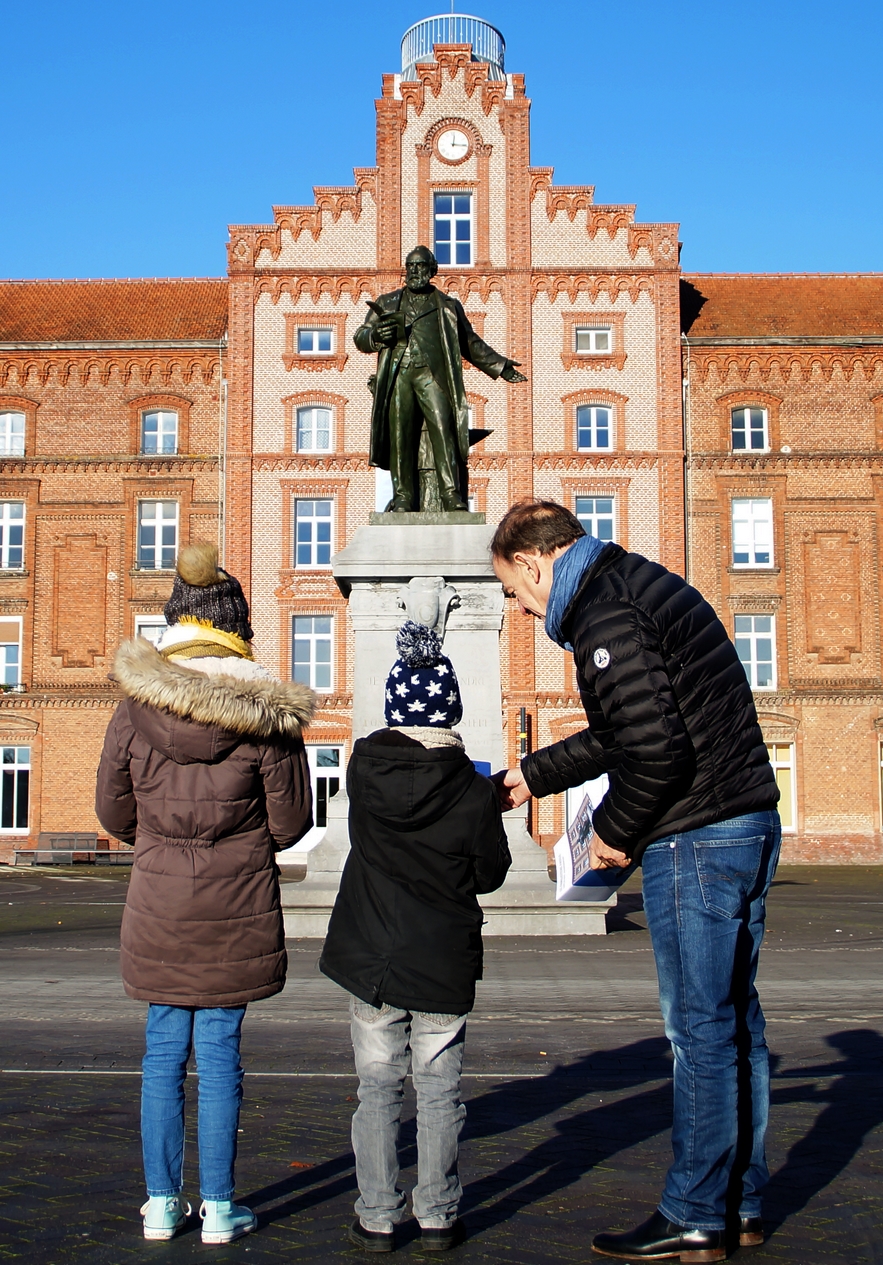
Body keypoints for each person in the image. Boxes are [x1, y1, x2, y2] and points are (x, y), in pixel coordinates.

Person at [490, 501, 781, 1263]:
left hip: (698, 836)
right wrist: (532, 775)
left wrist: (614, 832)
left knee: (698, 1031)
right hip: (746, 820)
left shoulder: (603, 612)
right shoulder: (636, 586)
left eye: (517, 595)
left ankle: (692, 1212)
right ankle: (737, 1201)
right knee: (734, 1022)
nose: (523, 612)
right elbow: (625, 726)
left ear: (533, 562)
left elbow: (653, 750)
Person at [95, 542, 314, 1245]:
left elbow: (111, 810)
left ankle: (161, 1202)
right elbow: (290, 822)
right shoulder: (264, 713)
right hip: (238, 903)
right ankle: (219, 1206)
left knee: (162, 1049)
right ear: (237, 627)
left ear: (175, 624)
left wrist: (157, 838)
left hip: (159, 900)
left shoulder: (134, 708)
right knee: (219, 1050)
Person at [320, 620, 511, 1253]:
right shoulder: (473, 789)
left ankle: (376, 1215)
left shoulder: (362, 774)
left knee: (375, 1089)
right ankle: (437, 1214)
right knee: (438, 1091)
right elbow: (490, 874)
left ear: (394, 706)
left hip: (371, 953)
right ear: (451, 709)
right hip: (440, 960)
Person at [353, 245, 526, 512]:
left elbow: (469, 343)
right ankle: (403, 497)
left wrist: (501, 366)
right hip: (399, 375)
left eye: (421, 266)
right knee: (401, 437)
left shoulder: (447, 306)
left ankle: (450, 494)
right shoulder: (387, 302)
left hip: (432, 375)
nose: (414, 271)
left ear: (432, 270)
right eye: (410, 266)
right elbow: (360, 337)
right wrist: (376, 336)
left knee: (444, 431)